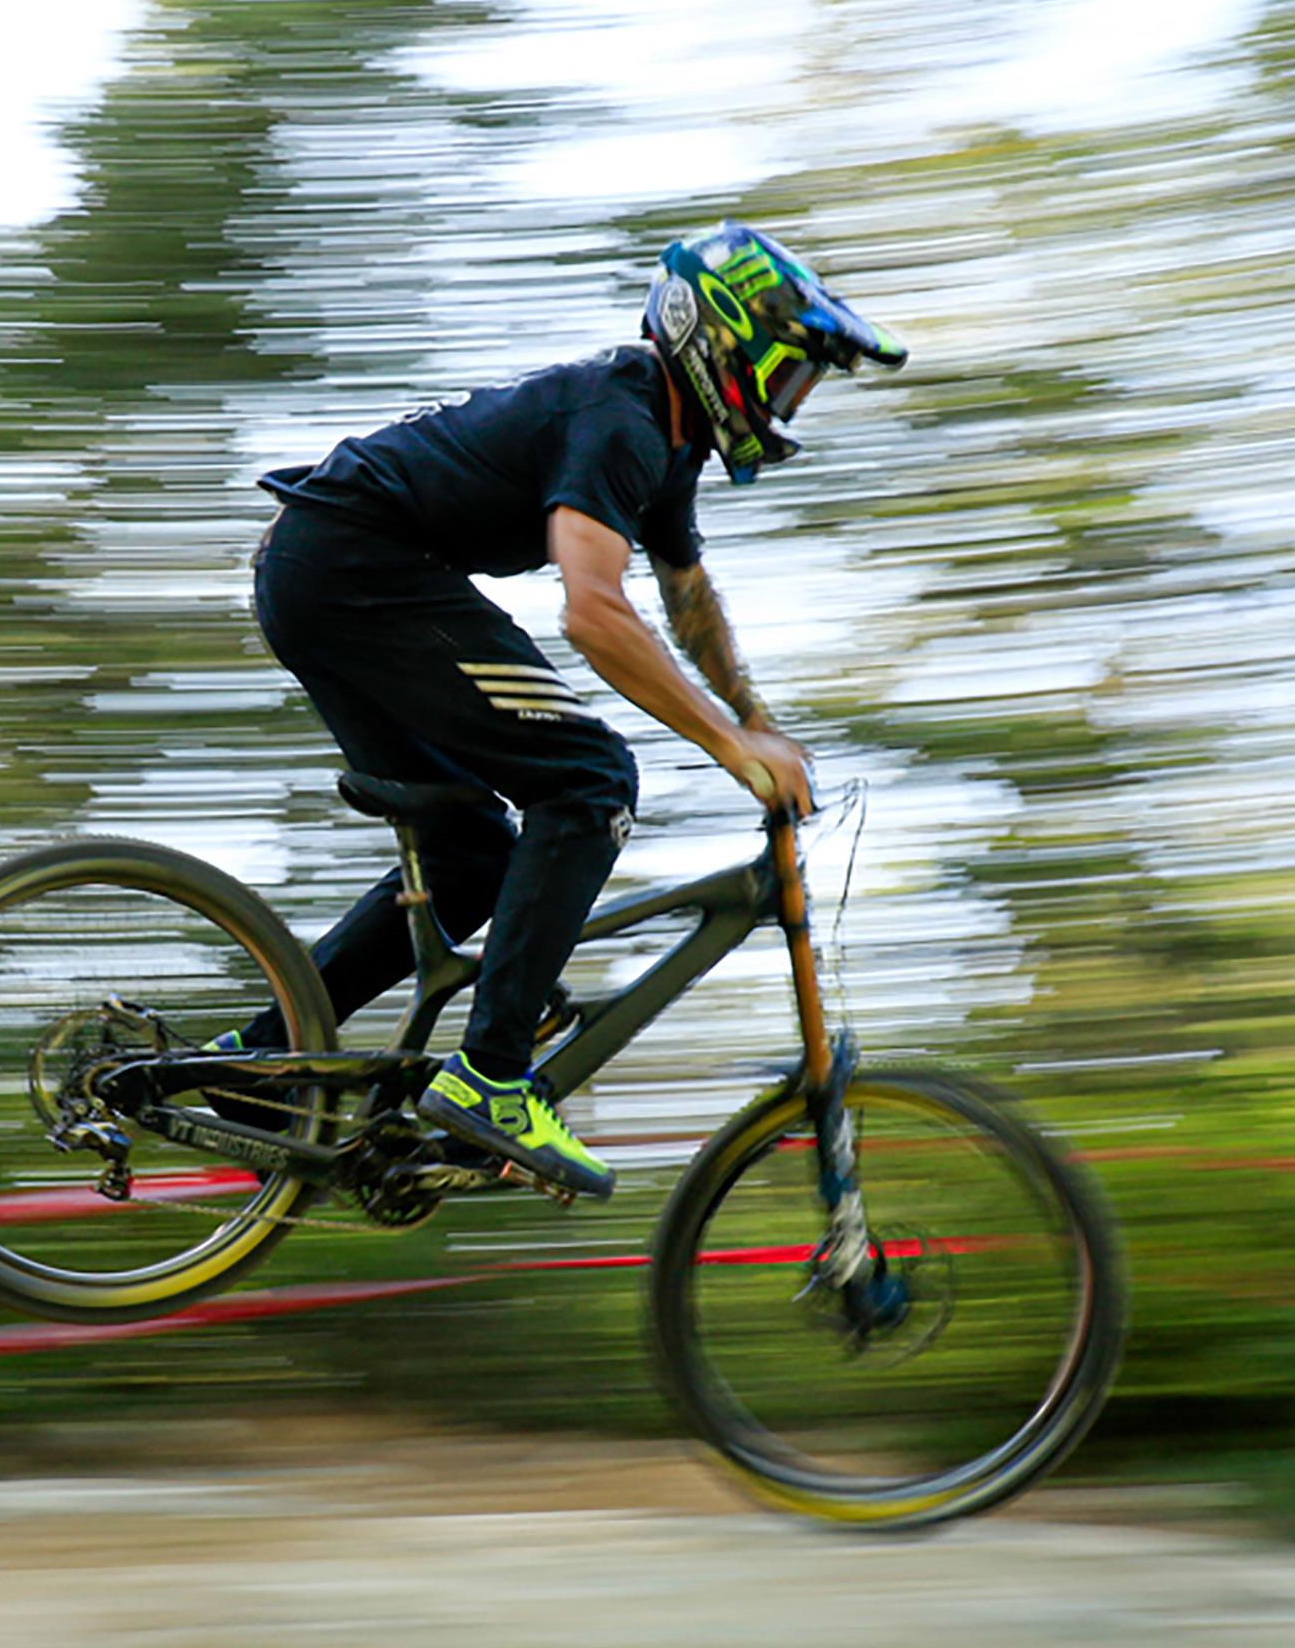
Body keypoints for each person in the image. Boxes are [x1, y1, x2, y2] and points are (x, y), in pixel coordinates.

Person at [226, 222, 906, 1199]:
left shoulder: (664, 440)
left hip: (323, 572)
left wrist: (754, 717)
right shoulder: (623, 418)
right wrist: (729, 747)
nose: (789, 401)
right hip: (354, 570)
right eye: (786, 374)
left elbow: (687, 597)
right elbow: (593, 612)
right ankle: (493, 1078)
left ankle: (261, 1063)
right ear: (723, 343)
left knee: (471, 858)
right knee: (590, 778)